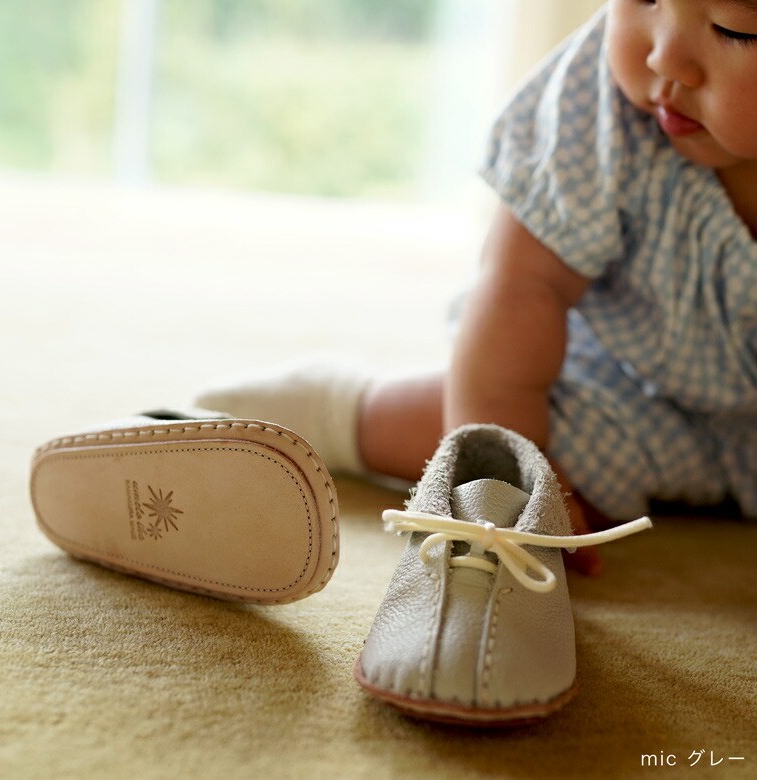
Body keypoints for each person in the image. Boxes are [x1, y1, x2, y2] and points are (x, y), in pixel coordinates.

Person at [196, 0, 757, 576]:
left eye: (734, 30)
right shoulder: (597, 105)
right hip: (621, 376)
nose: (664, 56)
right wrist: (513, 487)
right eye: (644, 0)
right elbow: (522, 288)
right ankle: (340, 412)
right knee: (491, 419)